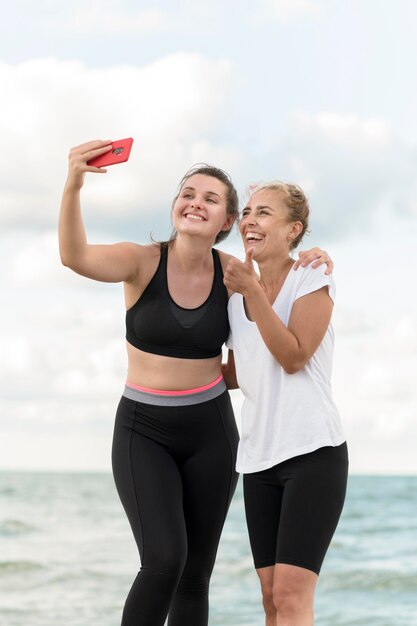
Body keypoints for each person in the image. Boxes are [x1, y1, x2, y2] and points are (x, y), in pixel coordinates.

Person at [58, 140, 332, 626]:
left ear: (226, 222)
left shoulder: (234, 275)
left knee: (194, 575)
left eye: (210, 198)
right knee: (163, 559)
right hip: (142, 428)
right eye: (188, 194)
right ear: (174, 207)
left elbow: (265, 320)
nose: (195, 203)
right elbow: (75, 256)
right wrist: (75, 182)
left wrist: (306, 251)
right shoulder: (141, 261)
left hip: (211, 430)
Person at [222, 181, 348, 626]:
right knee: (271, 599)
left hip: (312, 452)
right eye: (248, 212)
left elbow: (293, 356)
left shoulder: (314, 276)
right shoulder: (236, 298)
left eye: (265, 213)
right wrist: (165, 373)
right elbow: (239, 372)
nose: (250, 220)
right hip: (257, 459)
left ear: (294, 229)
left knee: (293, 598)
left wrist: (253, 292)